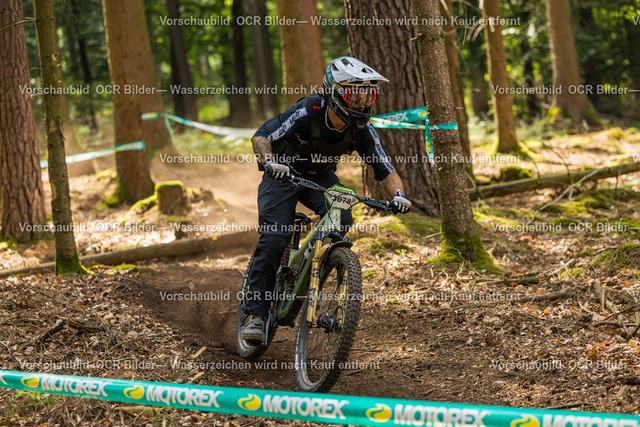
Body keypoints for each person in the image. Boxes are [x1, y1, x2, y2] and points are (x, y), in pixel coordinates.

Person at [241, 56, 411, 343]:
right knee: (274, 237)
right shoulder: (308, 110)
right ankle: (255, 315)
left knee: (342, 218)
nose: (362, 104)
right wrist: (270, 163)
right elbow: (261, 137)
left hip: (320, 178)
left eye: (368, 96)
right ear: (334, 91)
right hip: (282, 174)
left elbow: (386, 169)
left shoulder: (362, 129)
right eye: (355, 95)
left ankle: (311, 272)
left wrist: (398, 196)